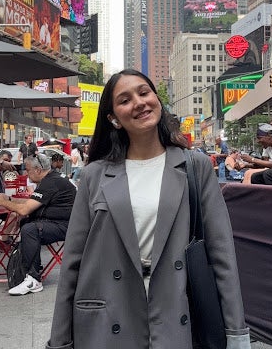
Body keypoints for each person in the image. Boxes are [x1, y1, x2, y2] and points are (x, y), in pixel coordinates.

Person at [46, 69, 250, 349]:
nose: (139, 103)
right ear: (113, 118)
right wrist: (59, 340)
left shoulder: (195, 166)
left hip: (177, 311)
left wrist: (236, 333)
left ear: (157, 100)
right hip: (108, 316)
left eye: (144, 93)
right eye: (125, 100)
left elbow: (222, 253)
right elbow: (72, 261)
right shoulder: (95, 175)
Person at [0, 153, 76, 296]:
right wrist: (9, 199)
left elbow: (24, 209)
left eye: (28, 169)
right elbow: (32, 202)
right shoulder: (51, 179)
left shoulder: (51, 182)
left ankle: (33, 279)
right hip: (61, 222)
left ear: (38, 170)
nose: (26, 173)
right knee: (27, 222)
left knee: (30, 229)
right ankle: (29, 269)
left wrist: (3, 202)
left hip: (68, 226)